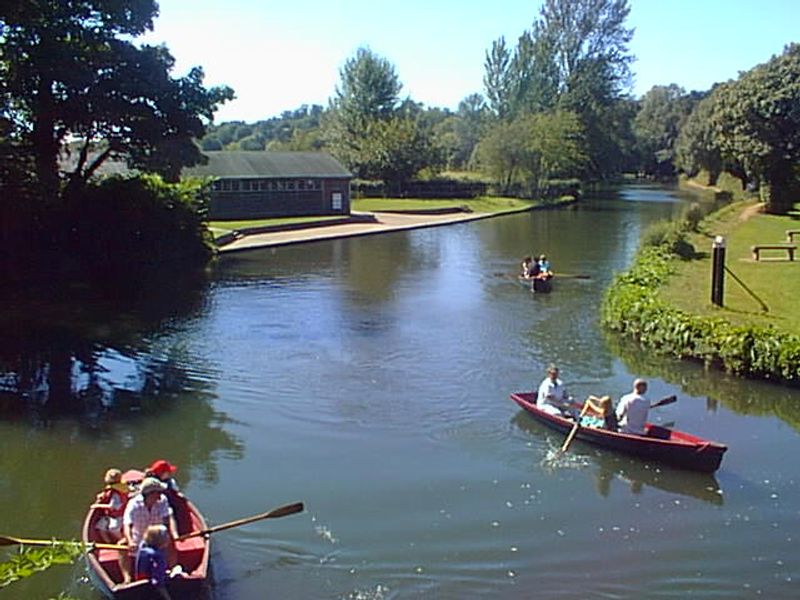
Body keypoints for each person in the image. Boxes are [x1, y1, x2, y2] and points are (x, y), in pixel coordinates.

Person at [120, 477, 178, 583]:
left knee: (171, 541)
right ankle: (127, 577)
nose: (161, 494)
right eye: (158, 492)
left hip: (158, 536)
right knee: (121, 545)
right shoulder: (133, 504)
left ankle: (173, 569)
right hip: (139, 537)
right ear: (150, 494)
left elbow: (166, 520)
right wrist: (130, 541)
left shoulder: (163, 500)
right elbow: (127, 524)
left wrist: (170, 535)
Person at [145, 459, 192, 536]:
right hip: (157, 504)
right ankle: (174, 534)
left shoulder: (169, 482)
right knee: (170, 513)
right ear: (162, 473)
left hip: (166, 503)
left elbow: (176, 492)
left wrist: (180, 496)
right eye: (168, 472)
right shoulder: (151, 482)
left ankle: (175, 532)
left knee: (172, 511)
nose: (170, 473)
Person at [134, 524, 173, 600]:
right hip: (152, 588)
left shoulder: (143, 546)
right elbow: (157, 581)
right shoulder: (157, 556)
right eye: (166, 535)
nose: (169, 537)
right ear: (160, 540)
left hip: (140, 583)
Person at [91, 468, 129, 543]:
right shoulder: (113, 489)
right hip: (109, 515)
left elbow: (112, 507)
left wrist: (97, 506)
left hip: (118, 516)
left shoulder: (116, 494)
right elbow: (107, 494)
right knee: (100, 526)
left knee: (113, 529)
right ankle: (108, 542)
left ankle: (123, 540)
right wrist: (102, 496)